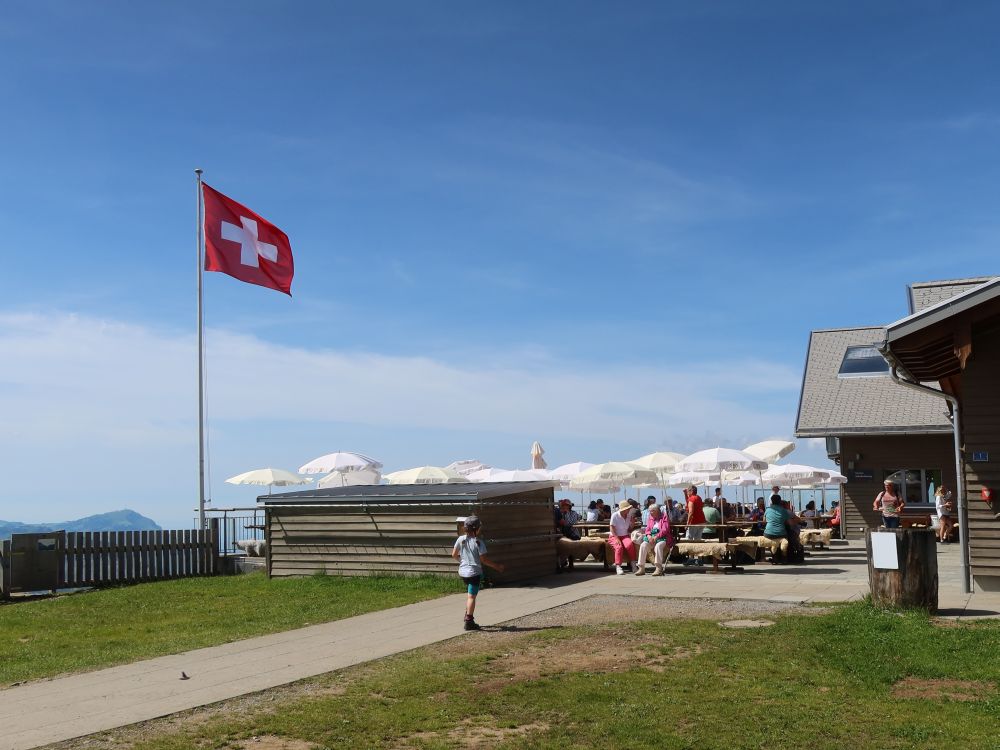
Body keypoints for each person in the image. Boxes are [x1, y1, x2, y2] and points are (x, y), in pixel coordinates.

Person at [452, 515, 504, 631]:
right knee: (471, 597)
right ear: (477, 529)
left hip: (463, 572)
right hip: (474, 573)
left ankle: (467, 613)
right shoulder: (479, 542)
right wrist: (497, 567)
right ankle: (469, 621)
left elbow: (454, 555)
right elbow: (484, 560)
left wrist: (463, 562)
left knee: (469, 595)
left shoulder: (460, 539)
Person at [636, 504, 673, 576]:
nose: (650, 513)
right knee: (643, 545)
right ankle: (641, 568)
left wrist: (656, 536)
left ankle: (658, 568)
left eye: (652, 511)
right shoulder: (651, 517)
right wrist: (649, 536)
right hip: (652, 537)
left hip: (663, 537)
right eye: (650, 511)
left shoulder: (664, 516)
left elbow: (665, 530)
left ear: (657, 511)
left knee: (658, 546)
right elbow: (648, 529)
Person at [608, 500, 638, 575]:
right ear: (624, 509)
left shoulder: (629, 516)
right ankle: (618, 566)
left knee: (630, 544)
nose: (629, 510)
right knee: (619, 547)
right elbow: (612, 528)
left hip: (625, 535)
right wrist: (617, 538)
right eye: (628, 509)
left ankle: (633, 564)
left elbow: (629, 530)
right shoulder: (615, 515)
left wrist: (633, 523)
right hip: (614, 535)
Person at [763, 496, 791, 563]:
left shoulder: (768, 510)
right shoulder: (783, 510)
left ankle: (774, 555)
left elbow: (764, 521)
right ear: (780, 501)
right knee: (787, 536)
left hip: (768, 533)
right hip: (781, 533)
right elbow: (789, 523)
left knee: (771, 538)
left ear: (771, 501)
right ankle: (784, 556)